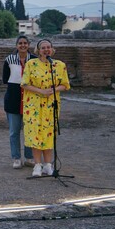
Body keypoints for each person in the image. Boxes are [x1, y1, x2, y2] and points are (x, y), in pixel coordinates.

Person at [21, 39, 70, 177]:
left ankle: (48, 165)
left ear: (52, 49)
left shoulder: (59, 65)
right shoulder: (31, 64)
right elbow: (24, 83)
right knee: (35, 133)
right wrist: (40, 91)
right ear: (38, 50)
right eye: (43, 48)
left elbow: (65, 84)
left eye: (48, 47)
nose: (46, 50)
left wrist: (54, 89)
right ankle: (37, 165)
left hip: (51, 105)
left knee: (48, 134)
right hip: (34, 104)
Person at [3, 35, 36, 169]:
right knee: (14, 132)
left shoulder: (34, 60)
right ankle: (16, 158)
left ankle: (29, 157)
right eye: (20, 43)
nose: (23, 45)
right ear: (16, 45)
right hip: (13, 98)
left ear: (28, 45)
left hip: (31, 99)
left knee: (29, 130)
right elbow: (5, 78)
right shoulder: (9, 59)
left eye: (25, 43)